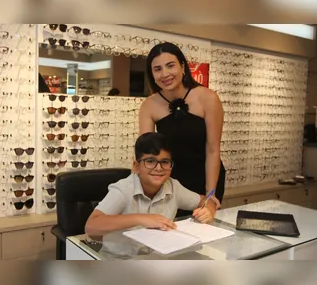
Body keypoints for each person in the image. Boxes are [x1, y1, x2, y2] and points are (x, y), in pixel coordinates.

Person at [138, 42, 226, 217]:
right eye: (157, 69)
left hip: (205, 177)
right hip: (169, 181)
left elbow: (213, 150)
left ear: (183, 66)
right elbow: (146, 153)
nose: (165, 74)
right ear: (152, 74)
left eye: (170, 66)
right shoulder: (149, 105)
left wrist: (210, 194)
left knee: (203, 230)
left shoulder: (208, 98)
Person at [85, 132, 216, 236]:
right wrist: (141, 219)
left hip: (160, 256)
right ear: (136, 166)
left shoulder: (172, 186)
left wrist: (208, 211)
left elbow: (207, 201)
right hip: (122, 259)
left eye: (165, 162)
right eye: (150, 161)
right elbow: (91, 226)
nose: (159, 168)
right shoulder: (124, 189)